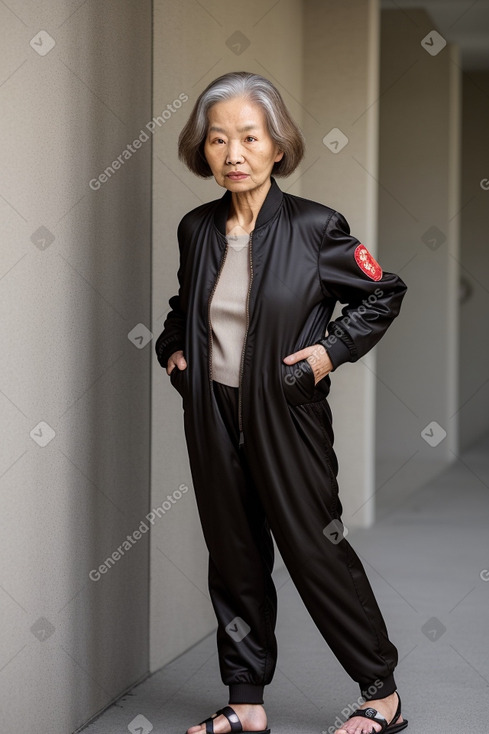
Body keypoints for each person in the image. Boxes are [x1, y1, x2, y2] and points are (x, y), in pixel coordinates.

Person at [155, 71, 409, 734]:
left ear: (277, 146)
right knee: (233, 553)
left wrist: (326, 354)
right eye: (217, 140)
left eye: (248, 137)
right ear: (202, 150)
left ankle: (380, 694)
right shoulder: (197, 229)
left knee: (313, 549)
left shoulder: (316, 227)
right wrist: (174, 353)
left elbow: (383, 293)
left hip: (285, 414)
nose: (232, 152)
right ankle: (245, 704)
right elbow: (185, 308)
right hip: (211, 412)